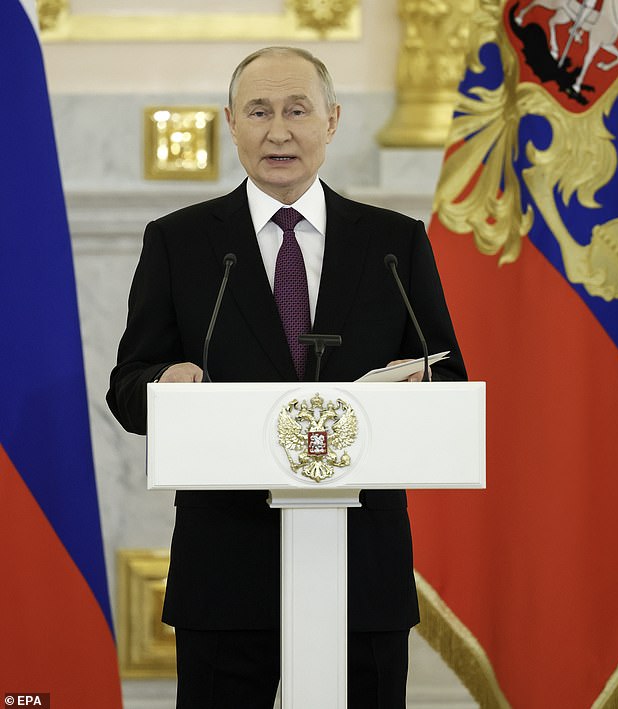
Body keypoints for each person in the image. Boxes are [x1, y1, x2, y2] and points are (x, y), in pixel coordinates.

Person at [107, 46, 467, 709]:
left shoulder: (394, 242)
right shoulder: (180, 242)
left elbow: (446, 377)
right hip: (226, 568)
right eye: (259, 111)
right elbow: (127, 387)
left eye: (297, 110)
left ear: (331, 122)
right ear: (231, 123)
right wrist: (167, 381)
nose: (279, 130)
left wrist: (417, 392)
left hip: (360, 569)